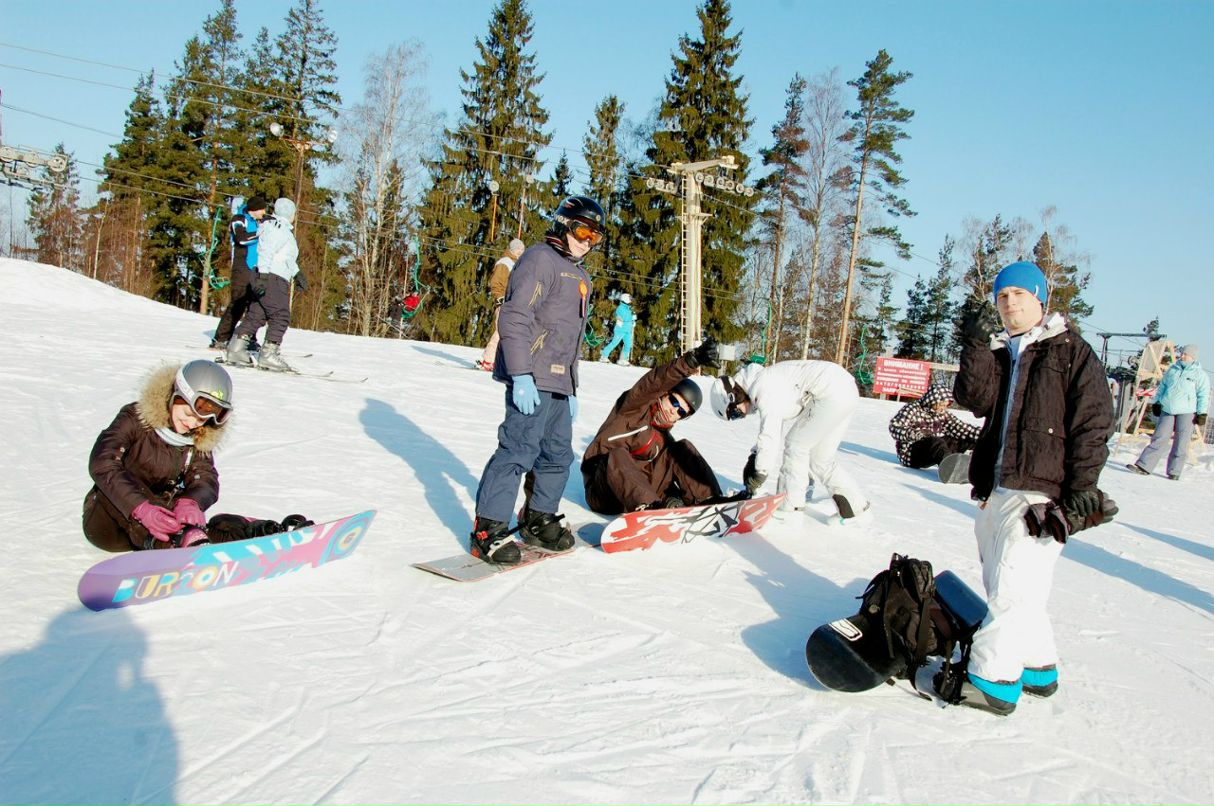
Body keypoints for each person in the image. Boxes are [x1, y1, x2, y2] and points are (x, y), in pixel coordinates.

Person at [944, 261, 1115, 716]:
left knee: (1010, 590)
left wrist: (1083, 487)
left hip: (1042, 492)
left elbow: (1093, 422)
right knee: (1021, 588)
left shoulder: (1070, 352)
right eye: (1002, 297)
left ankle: (994, 681)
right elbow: (973, 399)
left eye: (1019, 294)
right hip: (997, 486)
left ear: (1041, 299)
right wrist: (976, 345)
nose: (1009, 303)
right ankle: (1038, 668)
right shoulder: (1002, 352)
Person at [469, 196, 604, 564]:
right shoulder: (538, 259)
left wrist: (573, 387)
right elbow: (515, 318)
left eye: (596, 237)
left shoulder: (581, 276)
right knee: (517, 450)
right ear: (563, 224)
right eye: (582, 231)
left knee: (557, 455)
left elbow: (572, 339)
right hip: (531, 374)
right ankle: (488, 528)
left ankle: (537, 517)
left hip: (560, 382)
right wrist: (521, 374)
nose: (587, 241)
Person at [83, 360, 233, 552]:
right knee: (116, 479)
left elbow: (205, 477)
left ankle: (254, 532)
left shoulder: (196, 436)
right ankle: (172, 546)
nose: (193, 423)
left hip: (164, 519)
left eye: (202, 419)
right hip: (108, 523)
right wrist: (141, 508)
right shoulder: (135, 418)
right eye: (188, 413)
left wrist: (191, 502)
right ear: (174, 397)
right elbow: (102, 463)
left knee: (197, 521)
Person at [709, 359, 869, 519]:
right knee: (820, 459)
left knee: (796, 445)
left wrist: (760, 472)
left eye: (736, 414)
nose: (743, 416)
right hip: (844, 389)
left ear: (733, 396)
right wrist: (755, 455)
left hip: (829, 392)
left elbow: (770, 435)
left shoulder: (762, 388)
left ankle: (789, 508)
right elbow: (773, 429)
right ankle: (855, 509)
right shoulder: (764, 381)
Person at [582, 339, 724, 514]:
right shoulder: (631, 410)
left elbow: (658, 474)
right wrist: (690, 362)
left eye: (681, 412)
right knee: (617, 454)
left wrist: (671, 498)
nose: (674, 410)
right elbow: (653, 383)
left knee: (682, 449)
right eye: (674, 401)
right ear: (664, 394)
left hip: (639, 497)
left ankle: (710, 501)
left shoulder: (663, 440)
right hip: (603, 490)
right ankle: (647, 508)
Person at [225, 197, 306, 373]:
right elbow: (266, 251)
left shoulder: (278, 228)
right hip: (272, 277)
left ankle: (236, 348)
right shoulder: (277, 228)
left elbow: (284, 257)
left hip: (271, 274)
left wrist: (297, 274)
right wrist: (262, 275)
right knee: (281, 315)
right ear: (289, 213)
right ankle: (269, 355)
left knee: (257, 314)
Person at [1129, 344, 1208, 480]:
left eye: (1185, 354)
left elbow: (1203, 395)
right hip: (1168, 408)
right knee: (1159, 437)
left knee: (1181, 441)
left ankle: (1174, 471)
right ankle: (1144, 465)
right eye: (1182, 353)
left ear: (1193, 357)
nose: (1182, 356)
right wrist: (1157, 402)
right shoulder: (1173, 370)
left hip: (1187, 412)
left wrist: (1201, 413)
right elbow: (1162, 388)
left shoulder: (1200, 375)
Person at [211, 196, 267, 351]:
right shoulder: (239, 219)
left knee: (255, 306)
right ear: (254, 209)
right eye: (262, 209)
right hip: (242, 266)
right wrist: (260, 233)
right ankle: (221, 338)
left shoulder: (261, 222)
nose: (264, 212)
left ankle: (249, 339)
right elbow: (241, 239)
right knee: (238, 303)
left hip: (257, 267)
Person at [888, 383, 980, 470]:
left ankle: (977, 462)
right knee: (936, 442)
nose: (943, 408)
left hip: (933, 448)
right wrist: (915, 434)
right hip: (911, 453)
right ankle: (950, 468)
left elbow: (961, 428)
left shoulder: (942, 414)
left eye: (945, 405)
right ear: (932, 401)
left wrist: (985, 434)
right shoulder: (913, 408)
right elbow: (895, 426)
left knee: (961, 439)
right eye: (941, 405)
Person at [477, 238, 527, 371]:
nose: (520, 252)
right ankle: (488, 360)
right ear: (511, 249)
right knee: (501, 332)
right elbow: (496, 282)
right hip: (505, 302)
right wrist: (499, 298)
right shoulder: (504, 263)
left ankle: (499, 361)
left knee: (509, 334)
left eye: (522, 250)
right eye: (518, 250)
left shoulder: (518, 264)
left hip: (514, 303)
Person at [599, 292, 636, 365]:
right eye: (630, 299)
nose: (631, 300)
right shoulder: (620, 308)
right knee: (614, 343)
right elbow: (624, 318)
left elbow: (629, 318)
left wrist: (633, 320)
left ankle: (623, 359)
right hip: (620, 329)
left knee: (628, 344)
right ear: (625, 299)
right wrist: (632, 318)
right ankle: (604, 356)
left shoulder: (628, 308)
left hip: (627, 330)